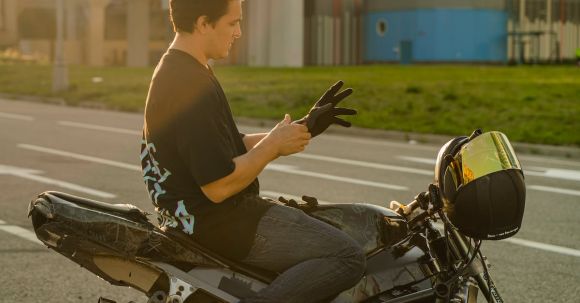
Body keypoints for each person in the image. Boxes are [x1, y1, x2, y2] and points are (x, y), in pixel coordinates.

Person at [140, 0, 364, 302]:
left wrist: (302, 128)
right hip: (219, 222)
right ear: (204, 23)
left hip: (193, 219)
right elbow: (218, 185)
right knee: (347, 255)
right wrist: (273, 146)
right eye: (232, 23)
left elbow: (227, 146)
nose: (239, 32)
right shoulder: (187, 83)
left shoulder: (183, 69)